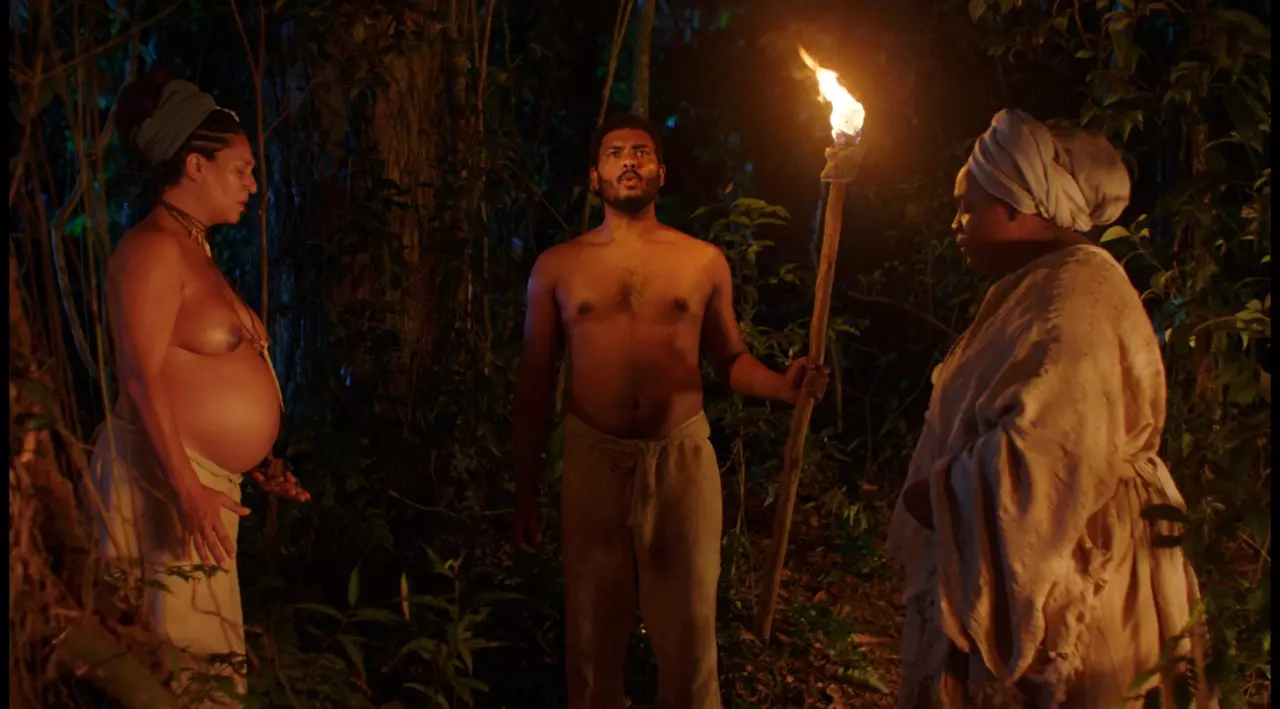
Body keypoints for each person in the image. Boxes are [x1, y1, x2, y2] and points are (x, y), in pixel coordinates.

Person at [887, 109, 1215, 709]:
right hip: (1061, 534)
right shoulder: (1049, 282)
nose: (956, 222)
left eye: (967, 207)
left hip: (1079, 557)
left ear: (1018, 205)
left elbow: (1053, 450)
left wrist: (939, 494)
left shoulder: (1076, 295)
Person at [511, 112, 830, 709]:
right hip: (594, 458)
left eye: (640, 151)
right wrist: (525, 490)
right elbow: (534, 381)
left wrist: (783, 386)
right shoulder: (557, 266)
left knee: (689, 642)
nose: (628, 161)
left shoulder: (701, 261)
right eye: (614, 153)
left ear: (662, 170)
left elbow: (730, 360)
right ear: (594, 175)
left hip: (680, 457)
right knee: (590, 644)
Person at [85, 70, 308, 706]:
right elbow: (139, 375)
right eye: (241, 169)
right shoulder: (152, 251)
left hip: (201, 484)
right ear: (195, 165)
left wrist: (252, 459)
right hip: (163, 483)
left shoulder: (195, 251)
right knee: (176, 670)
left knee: (206, 672)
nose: (252, 184)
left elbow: (192, 375)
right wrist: (186, 488)